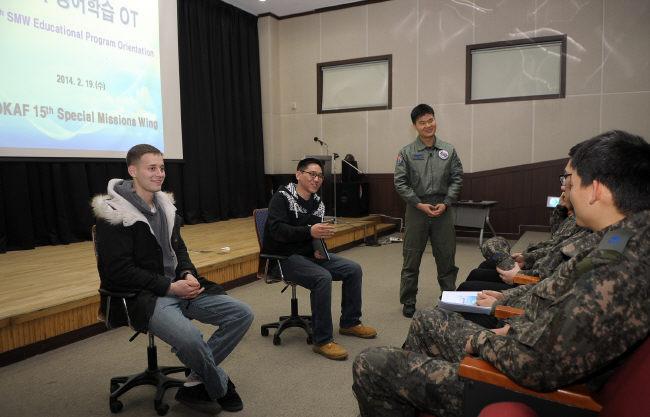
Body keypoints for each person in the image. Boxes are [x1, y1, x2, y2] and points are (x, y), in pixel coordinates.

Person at [353, 130, 650, 417]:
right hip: (521, 340)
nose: (567, 189)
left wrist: (481, 341)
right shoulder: (619, 239)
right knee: (427, 319)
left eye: (571, 181)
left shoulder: (615, 268)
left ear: (596, 190)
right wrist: (506, 314)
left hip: (516, 386)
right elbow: (553, 306)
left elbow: (537, 364)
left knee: (372, 364)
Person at [92, 144, 253, 414]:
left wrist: (187, 273)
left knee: (241, 314)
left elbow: (179, 249)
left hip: (179, 285)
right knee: (191, 340)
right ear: (133, 171)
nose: (159, 173)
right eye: (151, 168)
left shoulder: (165, 206)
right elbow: (118, 271)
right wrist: (169, 286)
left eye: (162, 168)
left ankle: (196, 378)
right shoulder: (114, 214)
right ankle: (218, 384)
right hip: (145, 295)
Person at [262, 157, 377, 360]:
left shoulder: (317, 203)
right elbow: (277, 231)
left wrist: (319, 246)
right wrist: (310, 232)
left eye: (320, 176)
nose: (316, 179)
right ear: (298, 174)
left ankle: (350, 322)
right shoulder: (281, 197)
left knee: (353, 269)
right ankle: (322, 340)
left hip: (308, 255)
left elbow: (314, 234)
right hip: (282, 257)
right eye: (312, 174)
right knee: (322, 277)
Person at [394, 104, 464, 318]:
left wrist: (447, 202)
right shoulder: (406, 152)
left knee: (446, 256)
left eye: (430, 120)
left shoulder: (448, 150)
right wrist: (418, 203)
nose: (427, 125)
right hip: (417, 209)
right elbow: (400, 182)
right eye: (422, 122)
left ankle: (448, 297)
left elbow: (457, 178)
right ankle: (408, 301)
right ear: (415, 126)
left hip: (443, 209)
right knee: (411, 257)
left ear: (435, 120)